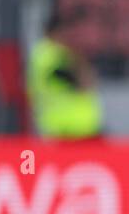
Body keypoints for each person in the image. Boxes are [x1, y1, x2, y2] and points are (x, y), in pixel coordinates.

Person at [27, 10, 103, 139]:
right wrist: (79, 61)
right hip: (67, 128)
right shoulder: (47, 55)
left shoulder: (59, 54)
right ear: (55, 32)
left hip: (76, 127)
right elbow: (80, 83)